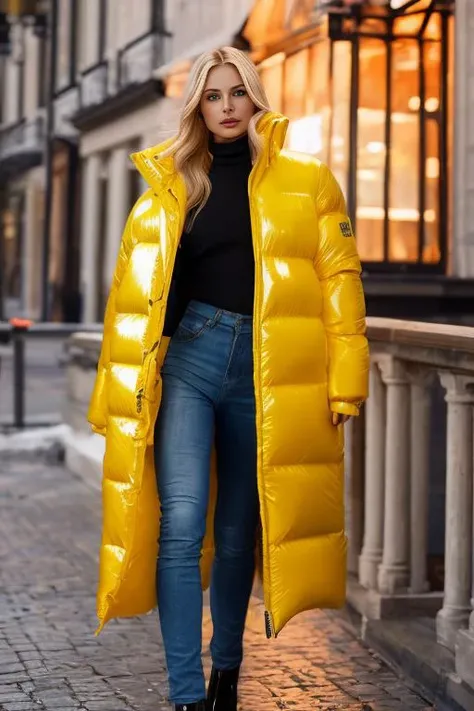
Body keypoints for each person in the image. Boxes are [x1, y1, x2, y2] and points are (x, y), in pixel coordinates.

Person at [88, 46, 369, 711]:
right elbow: (128, 304)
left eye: (235, 92)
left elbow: (341, 284)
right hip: (189, 360)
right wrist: (110, 398)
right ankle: (187, 694)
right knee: (183, 522)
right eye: (211, 96)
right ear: (197, 107)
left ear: (255, 97)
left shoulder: (309, 182)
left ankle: (227, 670)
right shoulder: (168, 187)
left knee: (241, 530)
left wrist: (346, 381)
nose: (225, 107)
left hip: (268, 373)